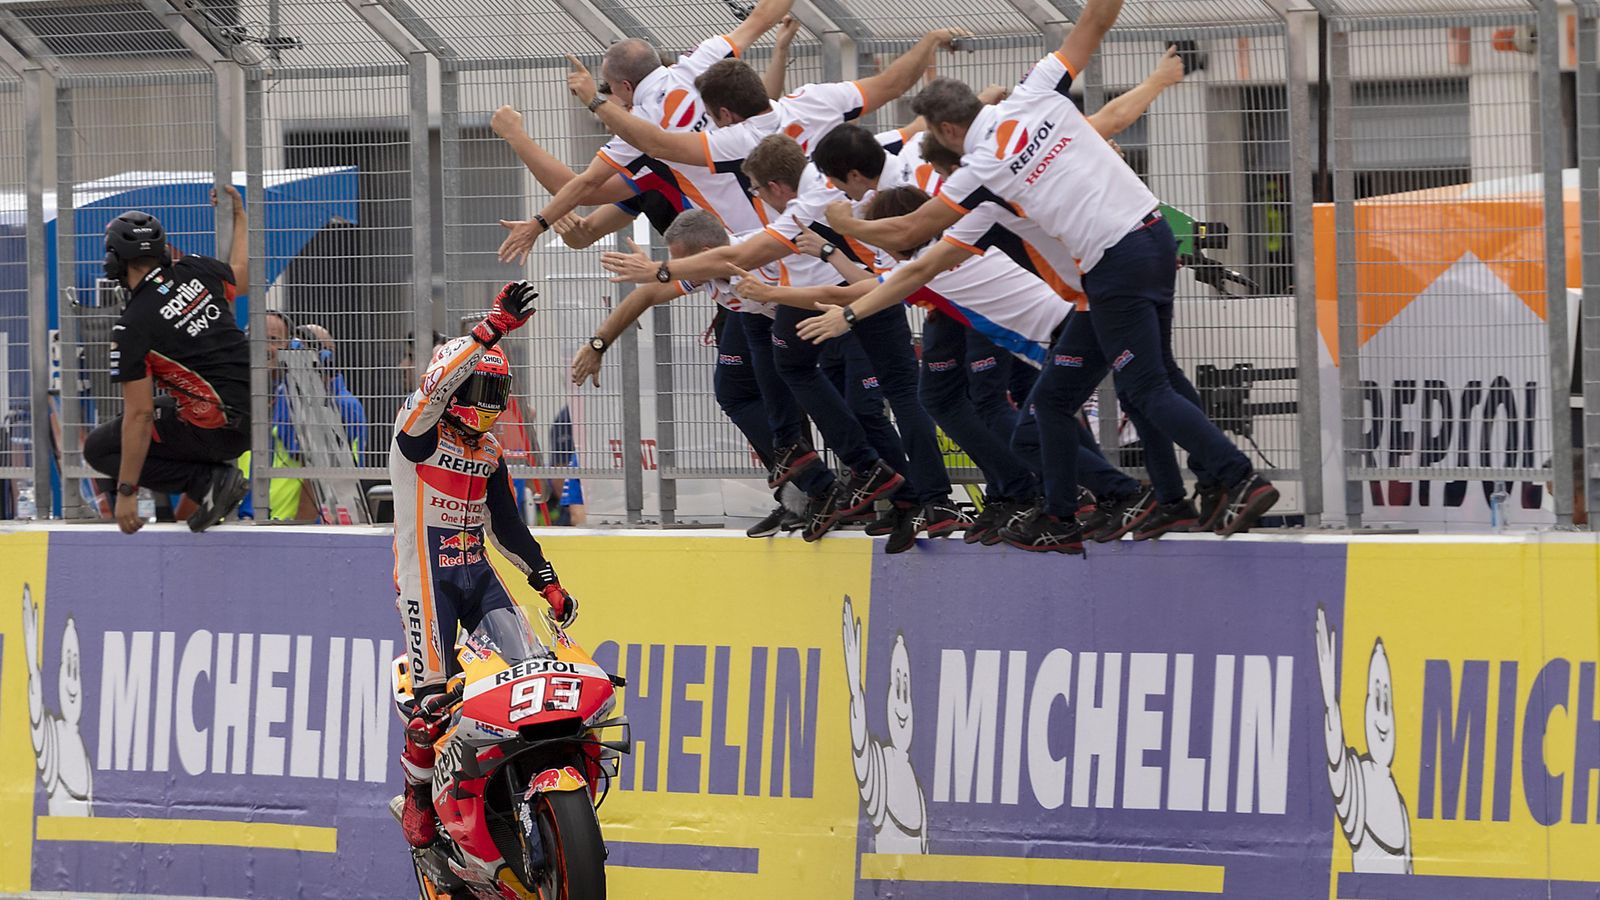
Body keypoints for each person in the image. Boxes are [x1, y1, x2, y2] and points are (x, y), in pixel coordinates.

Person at [825, 11, 1279, 541]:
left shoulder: (982, 171)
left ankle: (1237, 478)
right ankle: (1160, 499)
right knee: (1123, 388)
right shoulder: (1036, 90)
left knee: (1146, 385)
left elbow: (910, 237)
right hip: (1150, 234)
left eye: (938, 146)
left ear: (949, 130)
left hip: (1110, 263)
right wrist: (1153, 77)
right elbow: (1092, 26)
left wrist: (842, 222)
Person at [392, 279, 578, 849]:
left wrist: (545, 578)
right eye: (479, 389)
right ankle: (420, 800)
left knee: (535, 677)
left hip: (480, 574)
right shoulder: (416, 435)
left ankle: (526, 792)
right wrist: (490, 329)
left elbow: (508, 527)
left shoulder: (491, 451)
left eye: (500, 392)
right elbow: (433, 386)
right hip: (429, 583)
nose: (490, 405)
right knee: (431, 708)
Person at [570, 209, 836, 538]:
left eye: (680, 264)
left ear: (708, 255)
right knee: (734, 392)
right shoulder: (708, 269)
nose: (677, 272)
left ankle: (843, 489)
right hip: (761, 321)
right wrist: (597, 345)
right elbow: (647, 293)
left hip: (823, 312)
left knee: (816, 389)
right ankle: (802, 490)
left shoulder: (751, 259)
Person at [496, 0, 796, 265]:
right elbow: (760, 18)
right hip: (786, 213)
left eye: (611, 100)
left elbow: (586, 186)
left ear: (625, 89)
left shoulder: (641, 137)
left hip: (749, 245)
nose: (610, 121)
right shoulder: (698, 63)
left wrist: (518, 140)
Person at [85, 211, 250, 533]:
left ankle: (207, 483)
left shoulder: (132, 327)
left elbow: (140, 416)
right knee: (166, 408)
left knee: (100, 447)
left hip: (217, 428)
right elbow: (243, 277)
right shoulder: (196, 268)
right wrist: (239, 217)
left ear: (113, 262)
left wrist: (127, 491)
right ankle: (213, 482)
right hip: (255, 412)